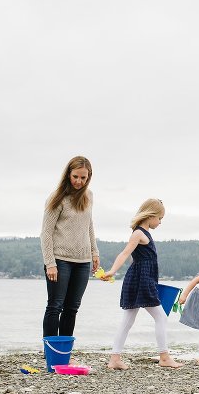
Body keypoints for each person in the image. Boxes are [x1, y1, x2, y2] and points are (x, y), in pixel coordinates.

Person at [100, 198, 182, 369]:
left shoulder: (144, 233)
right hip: (141, 281)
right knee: (160, 317)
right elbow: (124, 254)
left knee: (128, 321)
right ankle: (164, 357)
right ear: (151, 215)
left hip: (141, 279)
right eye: (160, 218)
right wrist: (112, 271)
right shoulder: (138, 234)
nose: (160, 222)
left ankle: (115, 359)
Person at [41, 156, 100, 343]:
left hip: (82, 262)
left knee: (72, 308)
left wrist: (94, 252)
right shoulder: (57, 198)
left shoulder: (89, 196)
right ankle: (51, 352)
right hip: (60, 260)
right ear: (68, 174)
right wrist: (50, 263)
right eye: (76, 176)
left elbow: (89, 225)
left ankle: (64, 353)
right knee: (55, 306)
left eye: (84, 178)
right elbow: (46, 233)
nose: (79, 181)